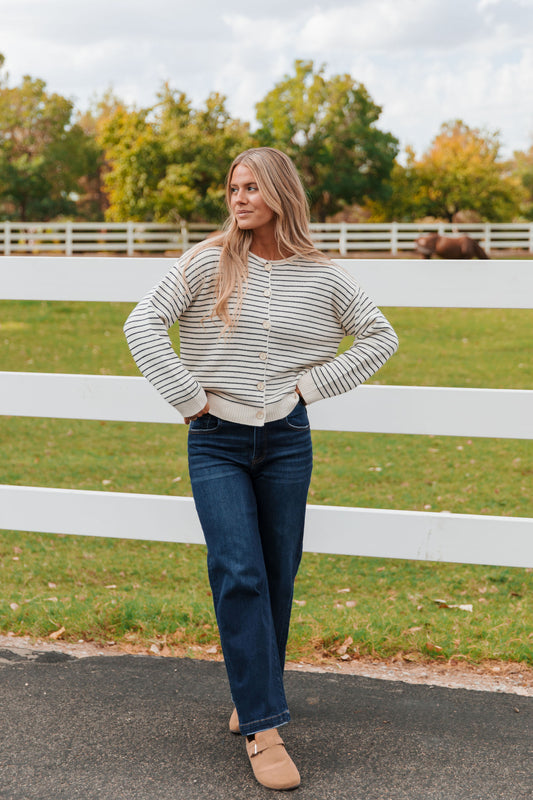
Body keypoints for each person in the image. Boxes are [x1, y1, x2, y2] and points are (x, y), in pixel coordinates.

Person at [124, 147, 399, 790]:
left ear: (281, 192)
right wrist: (190, 399)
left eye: (251, 187)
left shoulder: (322, 276)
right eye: (233, 187)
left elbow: (380, 337)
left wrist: (309, 387)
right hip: (215, 440)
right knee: (239, 571)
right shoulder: (204, 261)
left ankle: (252, 696)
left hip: (286, 439)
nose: (239, 198)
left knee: (278, 573)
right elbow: (142, 326)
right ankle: (263, 728)